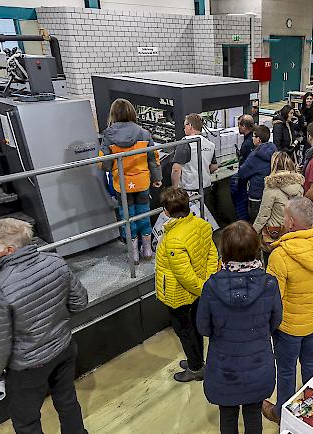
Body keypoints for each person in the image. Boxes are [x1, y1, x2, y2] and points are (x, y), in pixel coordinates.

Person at [0, 218, 88, 434]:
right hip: (64, 349)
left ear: (9, 250)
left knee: (26, 422)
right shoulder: (56, 262)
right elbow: (80, 302)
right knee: (67, 402)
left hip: (28, 367)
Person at [262, 197, 313, 424]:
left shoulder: (280, 255)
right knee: (311, 362)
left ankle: (282, 414)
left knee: (286, 370)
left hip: (288, 325)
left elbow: (273, 298)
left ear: (289, 222)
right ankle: (312, 405)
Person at [196, 221, 283, 434]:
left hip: (223, 367)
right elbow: (276, 322)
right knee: (254, 415)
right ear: (256, 248)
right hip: (258, 364)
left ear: (224, 250)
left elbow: (203, 327)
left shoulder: (211, 286)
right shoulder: (269, 284)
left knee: (227, 416)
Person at [155, 187, 219, 382]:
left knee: (185, 331)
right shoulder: (202, 225)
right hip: (198, 290)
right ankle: (197, 359)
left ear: (166, 210)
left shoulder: (173, 238)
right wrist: (206, 284)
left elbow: (183, 275)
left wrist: (200, 287)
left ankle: (195, 367)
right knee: (195, 327)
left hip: (179, 295)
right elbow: (212, 255)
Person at [99, 98, 162, 263]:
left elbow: (104, 164)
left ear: (113, 114)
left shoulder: (108, 135)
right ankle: (147, 251)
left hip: (122, 184)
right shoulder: (144, 133)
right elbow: (153, 158)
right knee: (144, 214)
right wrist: (157, 178)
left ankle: (133, 254)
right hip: (142, 182)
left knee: (127, 217)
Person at [253, 152, 304, 263]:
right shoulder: (299, 186)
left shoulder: (271, 187)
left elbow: (264, 214)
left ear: (274, 165)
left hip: (273, 233)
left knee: (271, 263)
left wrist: (253, 232)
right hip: (291, 230)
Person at [237, 125, 277, 222]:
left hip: (257, 194)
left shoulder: (255, 155)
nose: (252, 139)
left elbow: (242, 173)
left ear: (258, 139)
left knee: (256, 220)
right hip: (270, 191)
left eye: (254, 136)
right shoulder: (274, 149)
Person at [171, 113, 219, 193]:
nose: (184, 128)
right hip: (206, 187)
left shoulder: (185, 143)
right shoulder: (210, 144)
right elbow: (214, 166)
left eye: (185, 125)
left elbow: (176, 169)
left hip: (190, 189)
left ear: (190, 125)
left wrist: (174, 189)